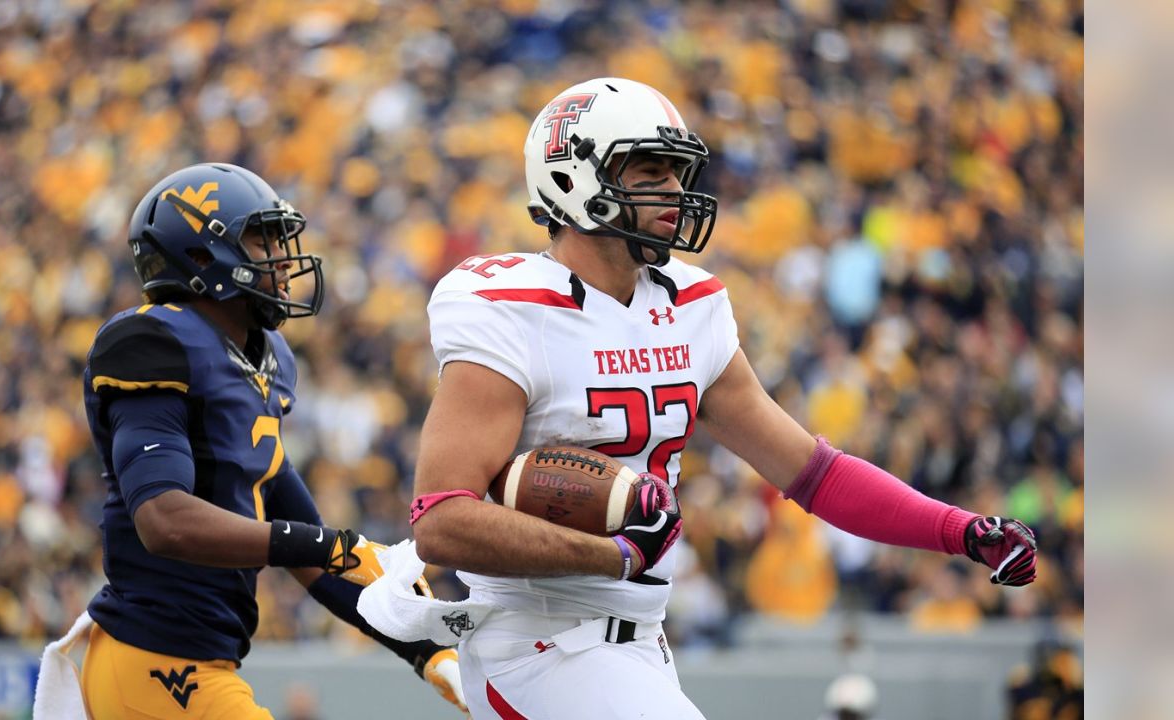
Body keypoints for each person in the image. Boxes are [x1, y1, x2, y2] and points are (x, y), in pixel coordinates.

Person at [408, 78, 1039, 719]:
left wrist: (957, 530)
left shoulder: (689, 304)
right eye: (650, 171)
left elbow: (814, 473)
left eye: (678, 174)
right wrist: (613, 554)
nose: (676, 194)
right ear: (573, 178)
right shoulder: (510, 310)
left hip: (640, 644)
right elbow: (439, 521)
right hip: (535, 644)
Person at [74, 163, 465, 718]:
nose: (282, 258)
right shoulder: (152, 341)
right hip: (151, 658)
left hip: (198, 662)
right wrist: (321, 545)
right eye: (262, 238)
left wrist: (427, 653)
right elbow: (164, 521)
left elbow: (311, 552)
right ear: (202, 255)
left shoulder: (266, 359)